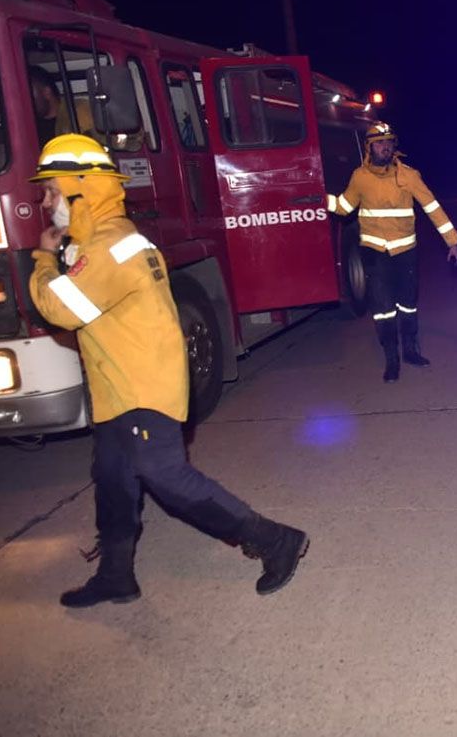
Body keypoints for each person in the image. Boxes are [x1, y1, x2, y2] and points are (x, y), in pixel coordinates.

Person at [27, 134, 308, 608]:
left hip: (143, 388)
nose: (44, 201)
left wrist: (40, 260)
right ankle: (116, 575)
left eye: (51, 190)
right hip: (119, 388)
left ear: (82, 188)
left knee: (168, 479)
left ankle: (276, 540)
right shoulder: (101, 239)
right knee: (113, 478)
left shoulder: (111, 246)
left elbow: (60, 310)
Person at [329, 122, 457, 382]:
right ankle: (392, 359)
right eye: (379, 143)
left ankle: (411, 350)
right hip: (375, 252)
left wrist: (452, 241)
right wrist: (321, 200)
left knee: (408, 305)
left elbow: (432, 207)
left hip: (405, 251)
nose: (385, 147)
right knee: (382, 308)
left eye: (389, 142)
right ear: (369, 147)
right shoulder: (360, 177)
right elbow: (345, 207)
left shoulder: (409, 175)